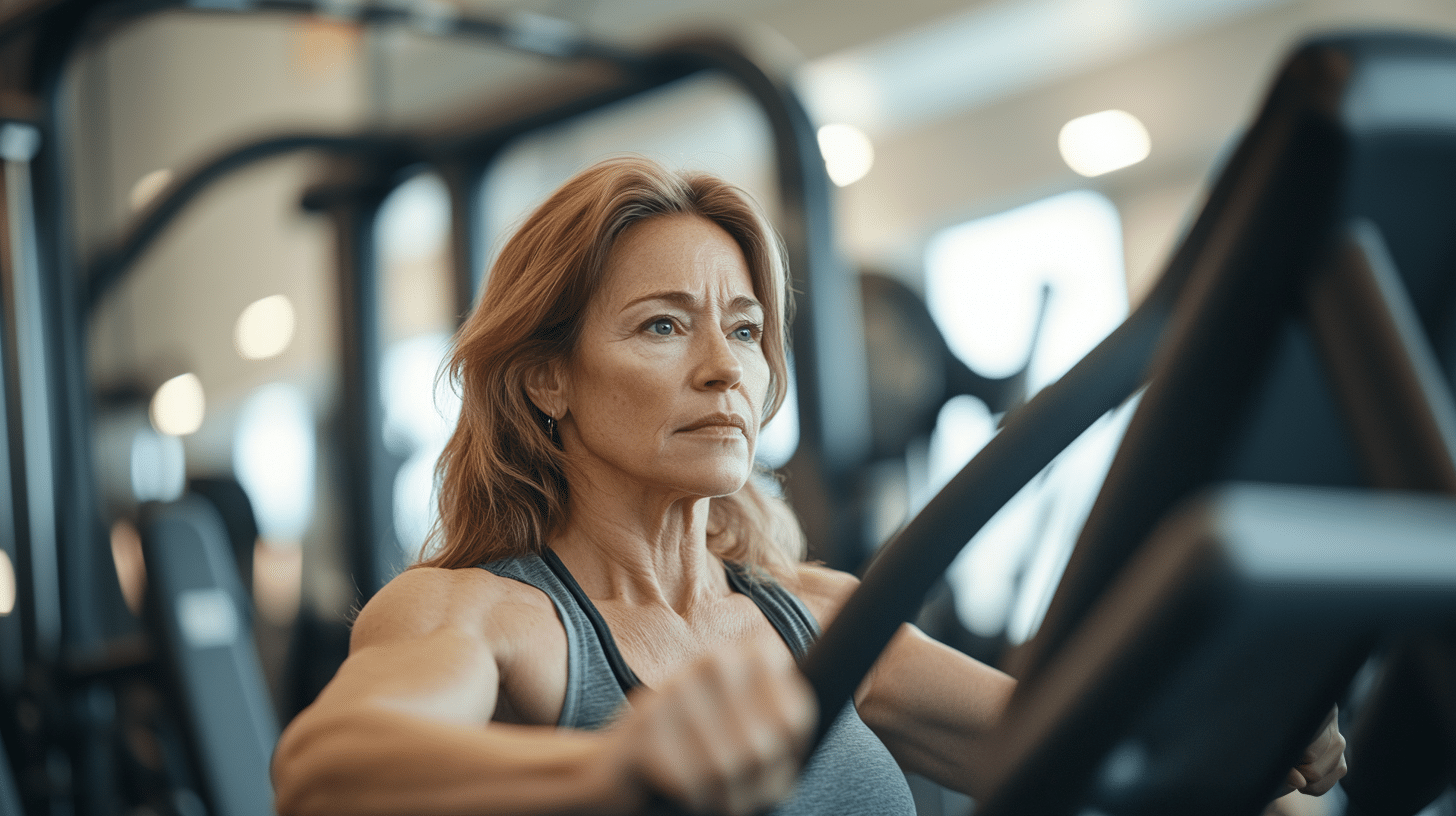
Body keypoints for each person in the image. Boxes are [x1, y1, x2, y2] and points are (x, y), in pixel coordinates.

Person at [270, 157, 1346, 816]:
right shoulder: (489, 617)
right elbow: (323, 771)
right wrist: (611, 778)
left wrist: (1256, 725)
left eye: (744, 331)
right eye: (663, 326)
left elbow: (1087, 755)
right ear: (547, 378)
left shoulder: (820, 619)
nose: (723, 369)